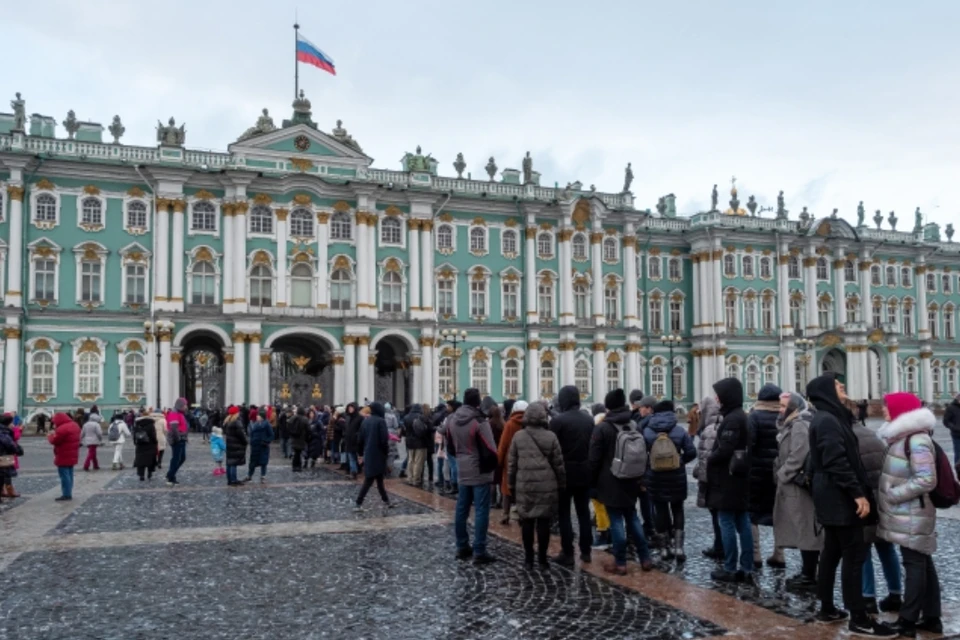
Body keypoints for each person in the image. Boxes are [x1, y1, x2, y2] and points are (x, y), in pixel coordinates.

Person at [808, 375, 895, 637]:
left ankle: (827, 608)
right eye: (836, 384)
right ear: (825, 391)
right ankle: (859, 617)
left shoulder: (830, 417)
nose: (842, 385)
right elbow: (835, 459)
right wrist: (857, 494)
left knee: (832, 552)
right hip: (840, 495)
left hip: (831, 493)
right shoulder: (828, 420)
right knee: (854, 556)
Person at [878, 393, 943, 637]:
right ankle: (932, 618)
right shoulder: (903, 438)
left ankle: (907, 620)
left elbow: (926, 479)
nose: (884, 410)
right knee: (923, 562)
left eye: (888, 407)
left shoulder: (916, 441)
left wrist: (893, 495)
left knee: (914, 563)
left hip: (913, 511)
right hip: (908, 511)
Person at [589, 389, 653, 575]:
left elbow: (593, 459)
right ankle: (645, 558)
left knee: (616, 520)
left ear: (608, 406)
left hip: (610, 481)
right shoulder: (634, 424)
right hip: (632, 479)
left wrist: (592, 483)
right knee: (632, 517)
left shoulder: (603, 428)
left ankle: (621, 562)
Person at [855, 405, 902, 614]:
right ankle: (895, 593)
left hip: (864, 502)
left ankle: (868, 598)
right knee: (886, 548)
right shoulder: (873, 435)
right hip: (881, 500)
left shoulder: (848, 438)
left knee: (863, 550)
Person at [706, 377, 754, 583]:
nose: (717, 398)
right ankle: (746, 566)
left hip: (729, 479)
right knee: (743, 521)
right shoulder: (739, 416)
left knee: (726, 521)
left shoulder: (732, 419)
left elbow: (725, 449)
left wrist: (711, 457)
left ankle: (731, 567)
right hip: (739, 478)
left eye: (719, 394)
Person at [508, 401, 566, 569]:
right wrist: (562, 484)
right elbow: (558, 464)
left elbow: (511, 464)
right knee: (543, 522)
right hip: (547, 485)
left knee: (526, 521)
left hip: (525, 485)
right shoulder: (551, 436)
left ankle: (528, 559)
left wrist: (511, 486)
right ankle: (542, 559)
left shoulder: (518, 436)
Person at [772, 392, 822, 590]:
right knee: (802, 529)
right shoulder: (791, 424)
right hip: (792, 485)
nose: (780, 410)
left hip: (797, 486)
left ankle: (810, 575)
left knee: (806, 528)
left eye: (784, 406)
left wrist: (782, 474)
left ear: (794, 408)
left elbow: (799, 454)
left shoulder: (800, 424)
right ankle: (807, 571)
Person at [643, 400, 696, 561]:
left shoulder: (647, 431)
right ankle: (679, 548)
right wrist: (680, 462)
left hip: (655, 476)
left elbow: (641, 454)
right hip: (676, 476)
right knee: (678, 508)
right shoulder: (679, 430)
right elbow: (691, 452)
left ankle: (664, 549)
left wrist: (650, 466)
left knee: (660, 510)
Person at [449, 388, 498, 565]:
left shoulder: (453, 419)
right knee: (481, 510)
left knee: (462, 508)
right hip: (478, 470)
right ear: (478, 402)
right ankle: (479, 549)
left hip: (462, 468)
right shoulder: (479, 421)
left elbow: (450, 445)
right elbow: (491, 448)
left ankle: (462, 545)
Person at [550, 385, 596, 566]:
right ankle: (586, 551)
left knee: (564, 514)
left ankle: (567, 552)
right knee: (583, 512)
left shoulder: (558, 421)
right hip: (585, 472)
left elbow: (553, 450)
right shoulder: (589, 420)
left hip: (564, 473)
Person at [748, 383, 784, 568]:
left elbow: (750, 443)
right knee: (778, 513)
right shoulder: (784, 417)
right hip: (780, 473)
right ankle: (779, 553)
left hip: (756, 472)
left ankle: (755, 554)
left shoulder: (754, 416)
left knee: (752, 512)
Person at [694, 396, 723, 560]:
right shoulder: (720, 424)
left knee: (718, 515)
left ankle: (721, 547)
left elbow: (707, 457)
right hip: (718, 479)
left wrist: (700, 473)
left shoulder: (710, 429)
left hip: (712, 480)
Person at [354, 402, 394, 510]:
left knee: (379, 480)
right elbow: (384, 440)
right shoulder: (381, 421)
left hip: (369, 454)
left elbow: (360, 440)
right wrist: (386, 453)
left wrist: (361, 454)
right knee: (370, 480)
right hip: (379, 454)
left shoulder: (366, 422)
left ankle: (386, 501)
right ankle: (358, 502)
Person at [497, 400, 527, 525]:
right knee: (522, 489)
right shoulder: (529, 423)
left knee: (506, 489)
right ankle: (522, 514)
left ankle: (505, 514)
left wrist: (499, 461)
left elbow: (503, 444)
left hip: (509, 461)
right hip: (525, 459)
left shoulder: (510, 424)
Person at [48, 413, 81, 501]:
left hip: (63, 453)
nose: (54, 424)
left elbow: (55, 441)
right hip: (72, 453)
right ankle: (68, 492)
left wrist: (50, 436)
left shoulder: (62, 429)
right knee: (69, 474)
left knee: (64, 475)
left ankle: (66, 494)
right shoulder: (75, 425)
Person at [403, 403, 430, 488]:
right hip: (420, 442)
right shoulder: (421, 417)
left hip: (409, 441)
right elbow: (427, 428)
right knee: (418, 462)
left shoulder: (406, 417)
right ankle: (416, 479)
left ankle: (409, 478)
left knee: (410, 460)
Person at [165, 398, 190, 486]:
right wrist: (178, 438)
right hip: (177, 439)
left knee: (181, 458)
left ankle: (171, 474)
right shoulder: (174, 414)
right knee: (176, 458)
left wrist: (185, 437)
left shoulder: (180, 413)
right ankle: (170, 476)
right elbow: (174, 428)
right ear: (180, 405)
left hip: (182, 438)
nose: (186, 407)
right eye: (184, 405)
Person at [246, 408, 274, 484]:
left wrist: (266, 441)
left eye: (258, 415)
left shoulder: (267, 424)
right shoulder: (255, 424)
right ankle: (249, 475)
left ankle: (263, 476)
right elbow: (252, 434)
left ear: (262, 416)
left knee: (263, 462)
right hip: (255, 446)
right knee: (252, 462)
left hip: (263, 446)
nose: (257, 417)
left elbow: (271, 435)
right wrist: (251, 442)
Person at [0, 415, 24, 501]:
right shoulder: (3, 432)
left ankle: (3, 491)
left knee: (2, 476)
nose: (13, 424)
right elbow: (10, 444)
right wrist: (19, 450)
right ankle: (9, 491)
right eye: (11, 423)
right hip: (3, 457)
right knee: (5, 475)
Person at [223, 406, 248, 486]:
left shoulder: (227, 421)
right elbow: (241, 434)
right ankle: (233, 480)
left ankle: (230, 479)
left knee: (229, 463)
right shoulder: (236, 422)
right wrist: (245, 441)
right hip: (236, 445)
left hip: (230, 444)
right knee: (233, 463)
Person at [132, 414, 158, 481]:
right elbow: (153, 436)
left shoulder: (137, 425)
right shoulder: (151, 425)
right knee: (150, 460)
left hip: (140, 445)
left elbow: (134, 436)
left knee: (140, 460)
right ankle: (149, 474)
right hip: (150, 445)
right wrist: (155, 442)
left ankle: (141, 475)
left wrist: (135, 442)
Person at [342, 403, 362, 479]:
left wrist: (357, 436)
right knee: (351, 457)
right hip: (349, 441)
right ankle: (353, 472)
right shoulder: (348, 418)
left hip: (357, 441)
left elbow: (361, 429)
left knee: (357, 457)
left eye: (351, 408)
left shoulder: (359, 418)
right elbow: (346, 428)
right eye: (349, 408)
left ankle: (356, 470)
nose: (350, 409)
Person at [288, 407, 309, 472]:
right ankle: (298, 466)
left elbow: (288, 426)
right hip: (301, 438)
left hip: (294, 437)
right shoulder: (305, 419)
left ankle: (295, 466)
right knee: (298, 453)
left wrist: (291, 434)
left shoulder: (292, 418)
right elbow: (308, 429)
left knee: (296, 452)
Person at [943, 392, 960, 465]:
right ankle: (958, 470)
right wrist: (954, 427)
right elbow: (946, 421)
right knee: (958, 453)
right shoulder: (951, 408)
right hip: (957, 435)